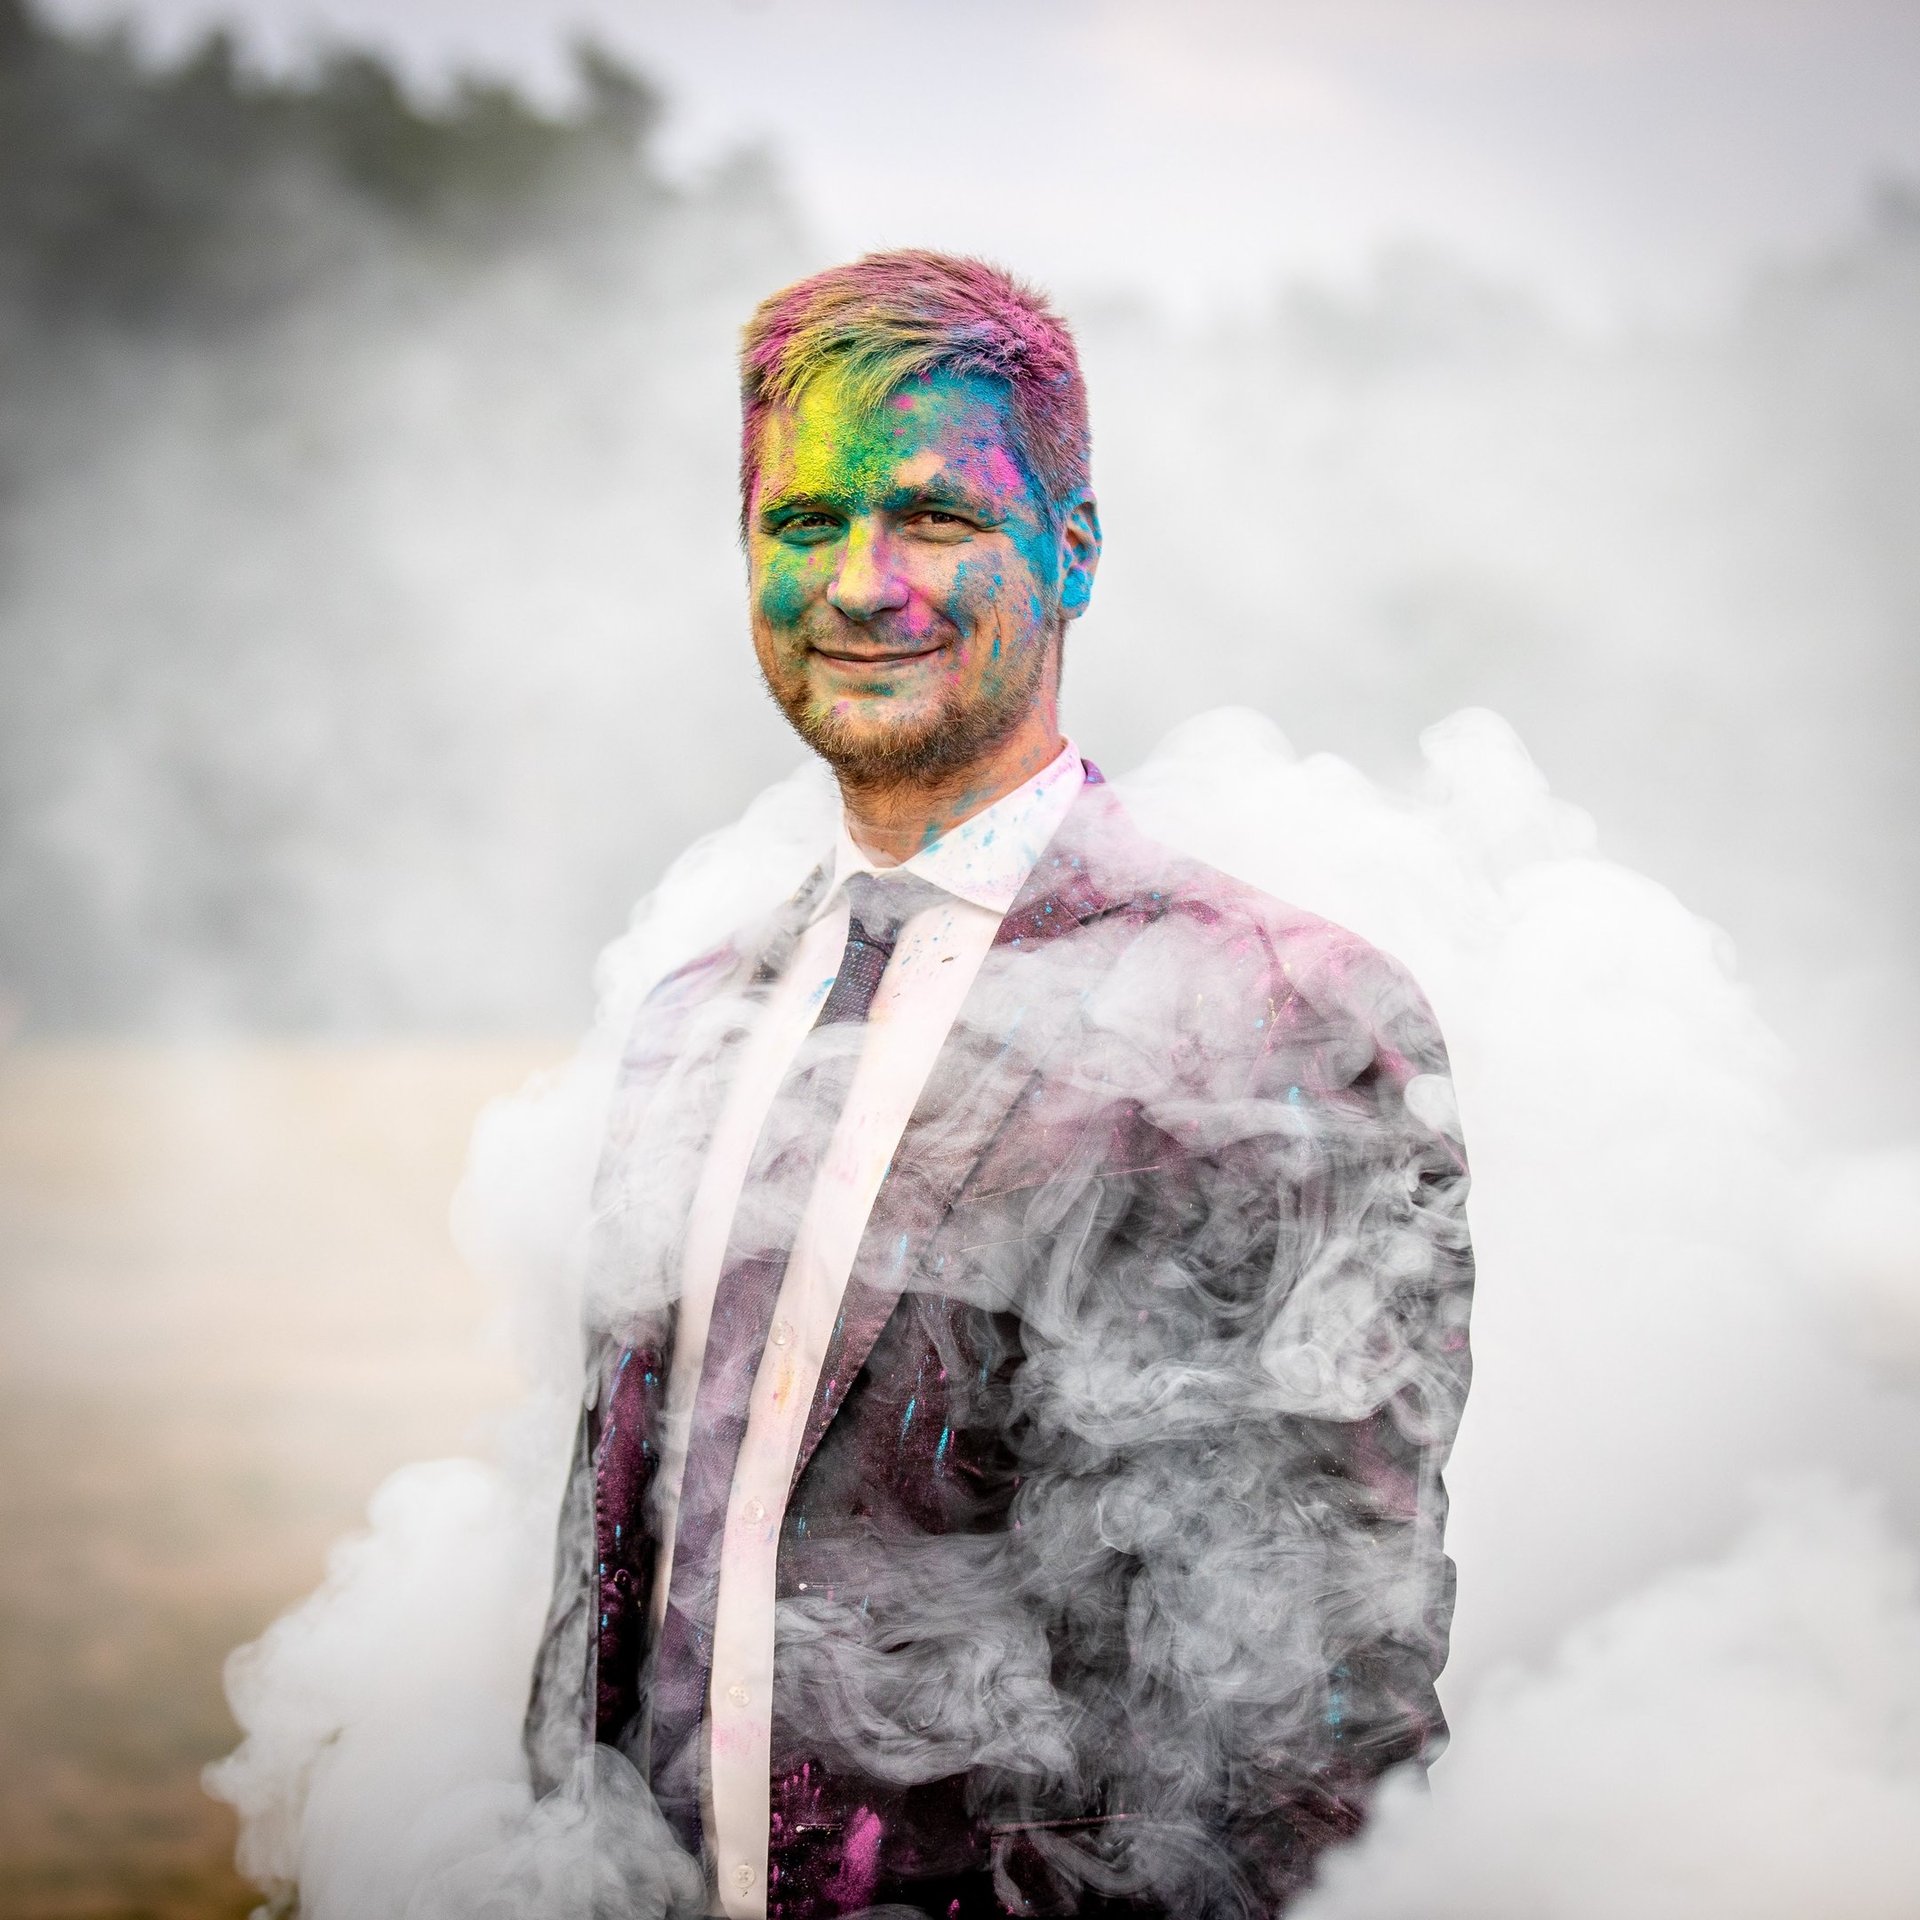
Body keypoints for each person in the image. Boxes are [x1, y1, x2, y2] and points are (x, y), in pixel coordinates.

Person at [526, 250, 1474, 1920]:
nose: (861, 582)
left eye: (936, 520)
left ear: (1075, 552)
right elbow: (612, 1602)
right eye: (802, 521)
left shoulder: (1276, 1020)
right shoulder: (695, 1017)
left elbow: (1317, 1727)